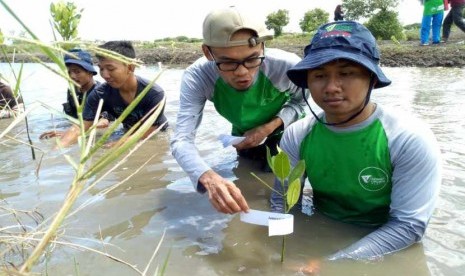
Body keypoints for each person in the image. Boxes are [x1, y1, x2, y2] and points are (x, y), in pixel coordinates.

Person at [271, 21, 441, 272]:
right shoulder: (297, 134)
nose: (330, 87)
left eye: (346, 73)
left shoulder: (408, 138)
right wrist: (275, 253)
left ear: (372, 79)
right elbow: (282, 204)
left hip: (381, 240)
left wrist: (331, 265)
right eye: (319, 75)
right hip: (324, 222)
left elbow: (408, 226)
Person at [170, 7, 307, 214]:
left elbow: (301, 103)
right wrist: (208, 177)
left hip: (287, 131)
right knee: (246, 177)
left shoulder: (288, 67)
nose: (242, 72)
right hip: (244, 135)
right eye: (227, 62)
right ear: (207, 52)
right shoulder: (197, 77)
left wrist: (267, 128)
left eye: (252, 59)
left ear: (262, 46)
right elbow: (181, 139)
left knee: (282, 191)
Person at [56, 40, 168, 148]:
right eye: (101, 69)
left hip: (156, 136)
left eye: (110, 69)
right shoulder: (99, 94)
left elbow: (148, 132)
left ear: (130, 67)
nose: (104, 75)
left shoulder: (154, 94)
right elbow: (80, 127)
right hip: (126, 132)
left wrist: (118, 144)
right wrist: (57, 150)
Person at [39, 48, 109, 139]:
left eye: (77, 72)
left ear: (90, 73)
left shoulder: (100, 93)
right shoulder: (73, 92)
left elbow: (104, 122)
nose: (72, 76)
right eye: (69, 72)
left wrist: (69, 133)